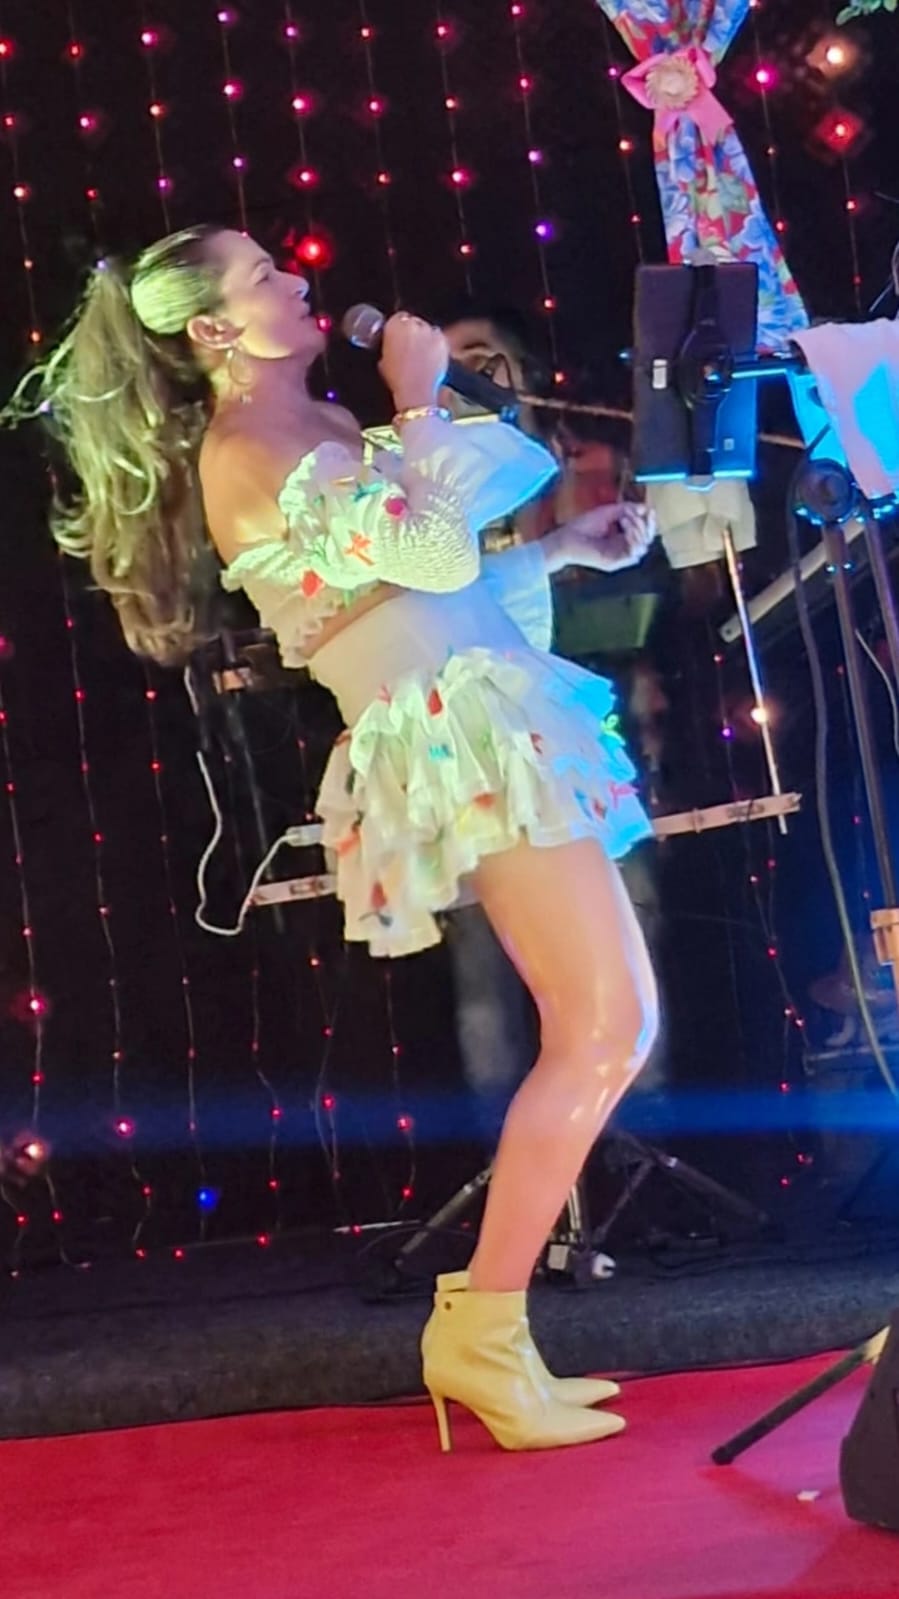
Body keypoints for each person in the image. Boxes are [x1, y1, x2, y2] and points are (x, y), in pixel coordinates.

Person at [9, 225, 658, 1454]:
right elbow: (428, 548)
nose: (301, 281)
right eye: (265, 275)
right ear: (213, 328)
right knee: (603, 1026)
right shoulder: (248, 448)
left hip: (484, 712)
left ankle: (488, 1331)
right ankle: (482, 1332)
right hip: (458, 735)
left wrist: (558, 547)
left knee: (606, 1024)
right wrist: (412, 401)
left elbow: (425, 588)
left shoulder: (311, 425)